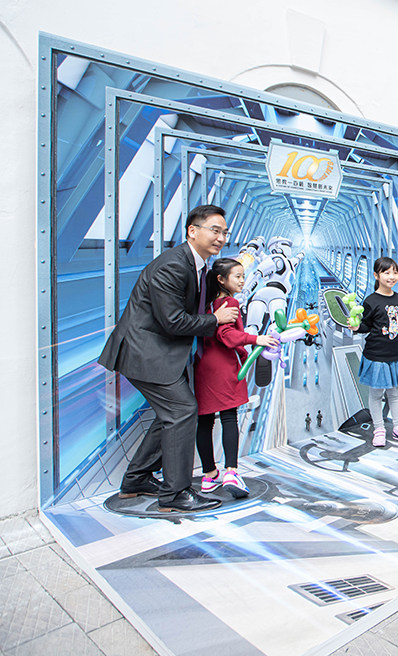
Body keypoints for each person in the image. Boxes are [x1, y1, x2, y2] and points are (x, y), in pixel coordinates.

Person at [100, 205, 239, 513]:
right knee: (183, 410)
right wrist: (215, 320)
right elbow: (173, 321)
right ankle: (174, 495)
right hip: (145, 352)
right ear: (193, 231)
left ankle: (137, 479)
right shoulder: (174, 265)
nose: (221, 238)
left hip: (161, 352)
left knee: (171, 413)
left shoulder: (198, 265)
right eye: (215, 230)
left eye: (224, 232)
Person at [194, 258, 277, 499]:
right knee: (230, 418)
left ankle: (209, 476)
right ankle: (231, 472)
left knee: (205, 421)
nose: (242, 280)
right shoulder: (228, 302)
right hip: (222, 367)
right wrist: (256, 339)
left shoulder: (207, 303)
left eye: (243, 276)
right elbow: (228, 336)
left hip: (203, 366)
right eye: (237, 276)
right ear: (221, 279)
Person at [350, 256, 398, 447]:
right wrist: (355, 328)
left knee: (394, 394)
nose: (392, 276)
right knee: (376, 395)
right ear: (376, 275)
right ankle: (379, 429)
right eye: (386, 272)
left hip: (394, 356)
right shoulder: (370, 301)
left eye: (395, 272)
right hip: (376, 357)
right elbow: (366, 326)